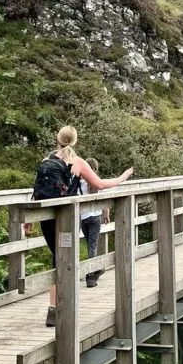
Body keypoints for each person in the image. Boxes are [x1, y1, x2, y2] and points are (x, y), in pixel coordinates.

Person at [41, 126, 133, 327]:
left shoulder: (46, 161)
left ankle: (53, 309)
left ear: (57, 139)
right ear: (74, 141)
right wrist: (123, 177)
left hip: (46, 218)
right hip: (66, 218)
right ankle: (65, 309)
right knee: (66, 259)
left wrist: (29, 221)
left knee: (56, 259)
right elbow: (100, 185)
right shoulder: (78, 162)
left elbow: (37, 191)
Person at [79, 158, 109, 289]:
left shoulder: (80, 183)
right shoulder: (97, 182)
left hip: (83, 217)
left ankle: (96, 270)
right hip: (96, 217)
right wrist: (106, 215)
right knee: (93, 246)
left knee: (89, 245)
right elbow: (105, 201)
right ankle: (91, 275)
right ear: (95, 168)